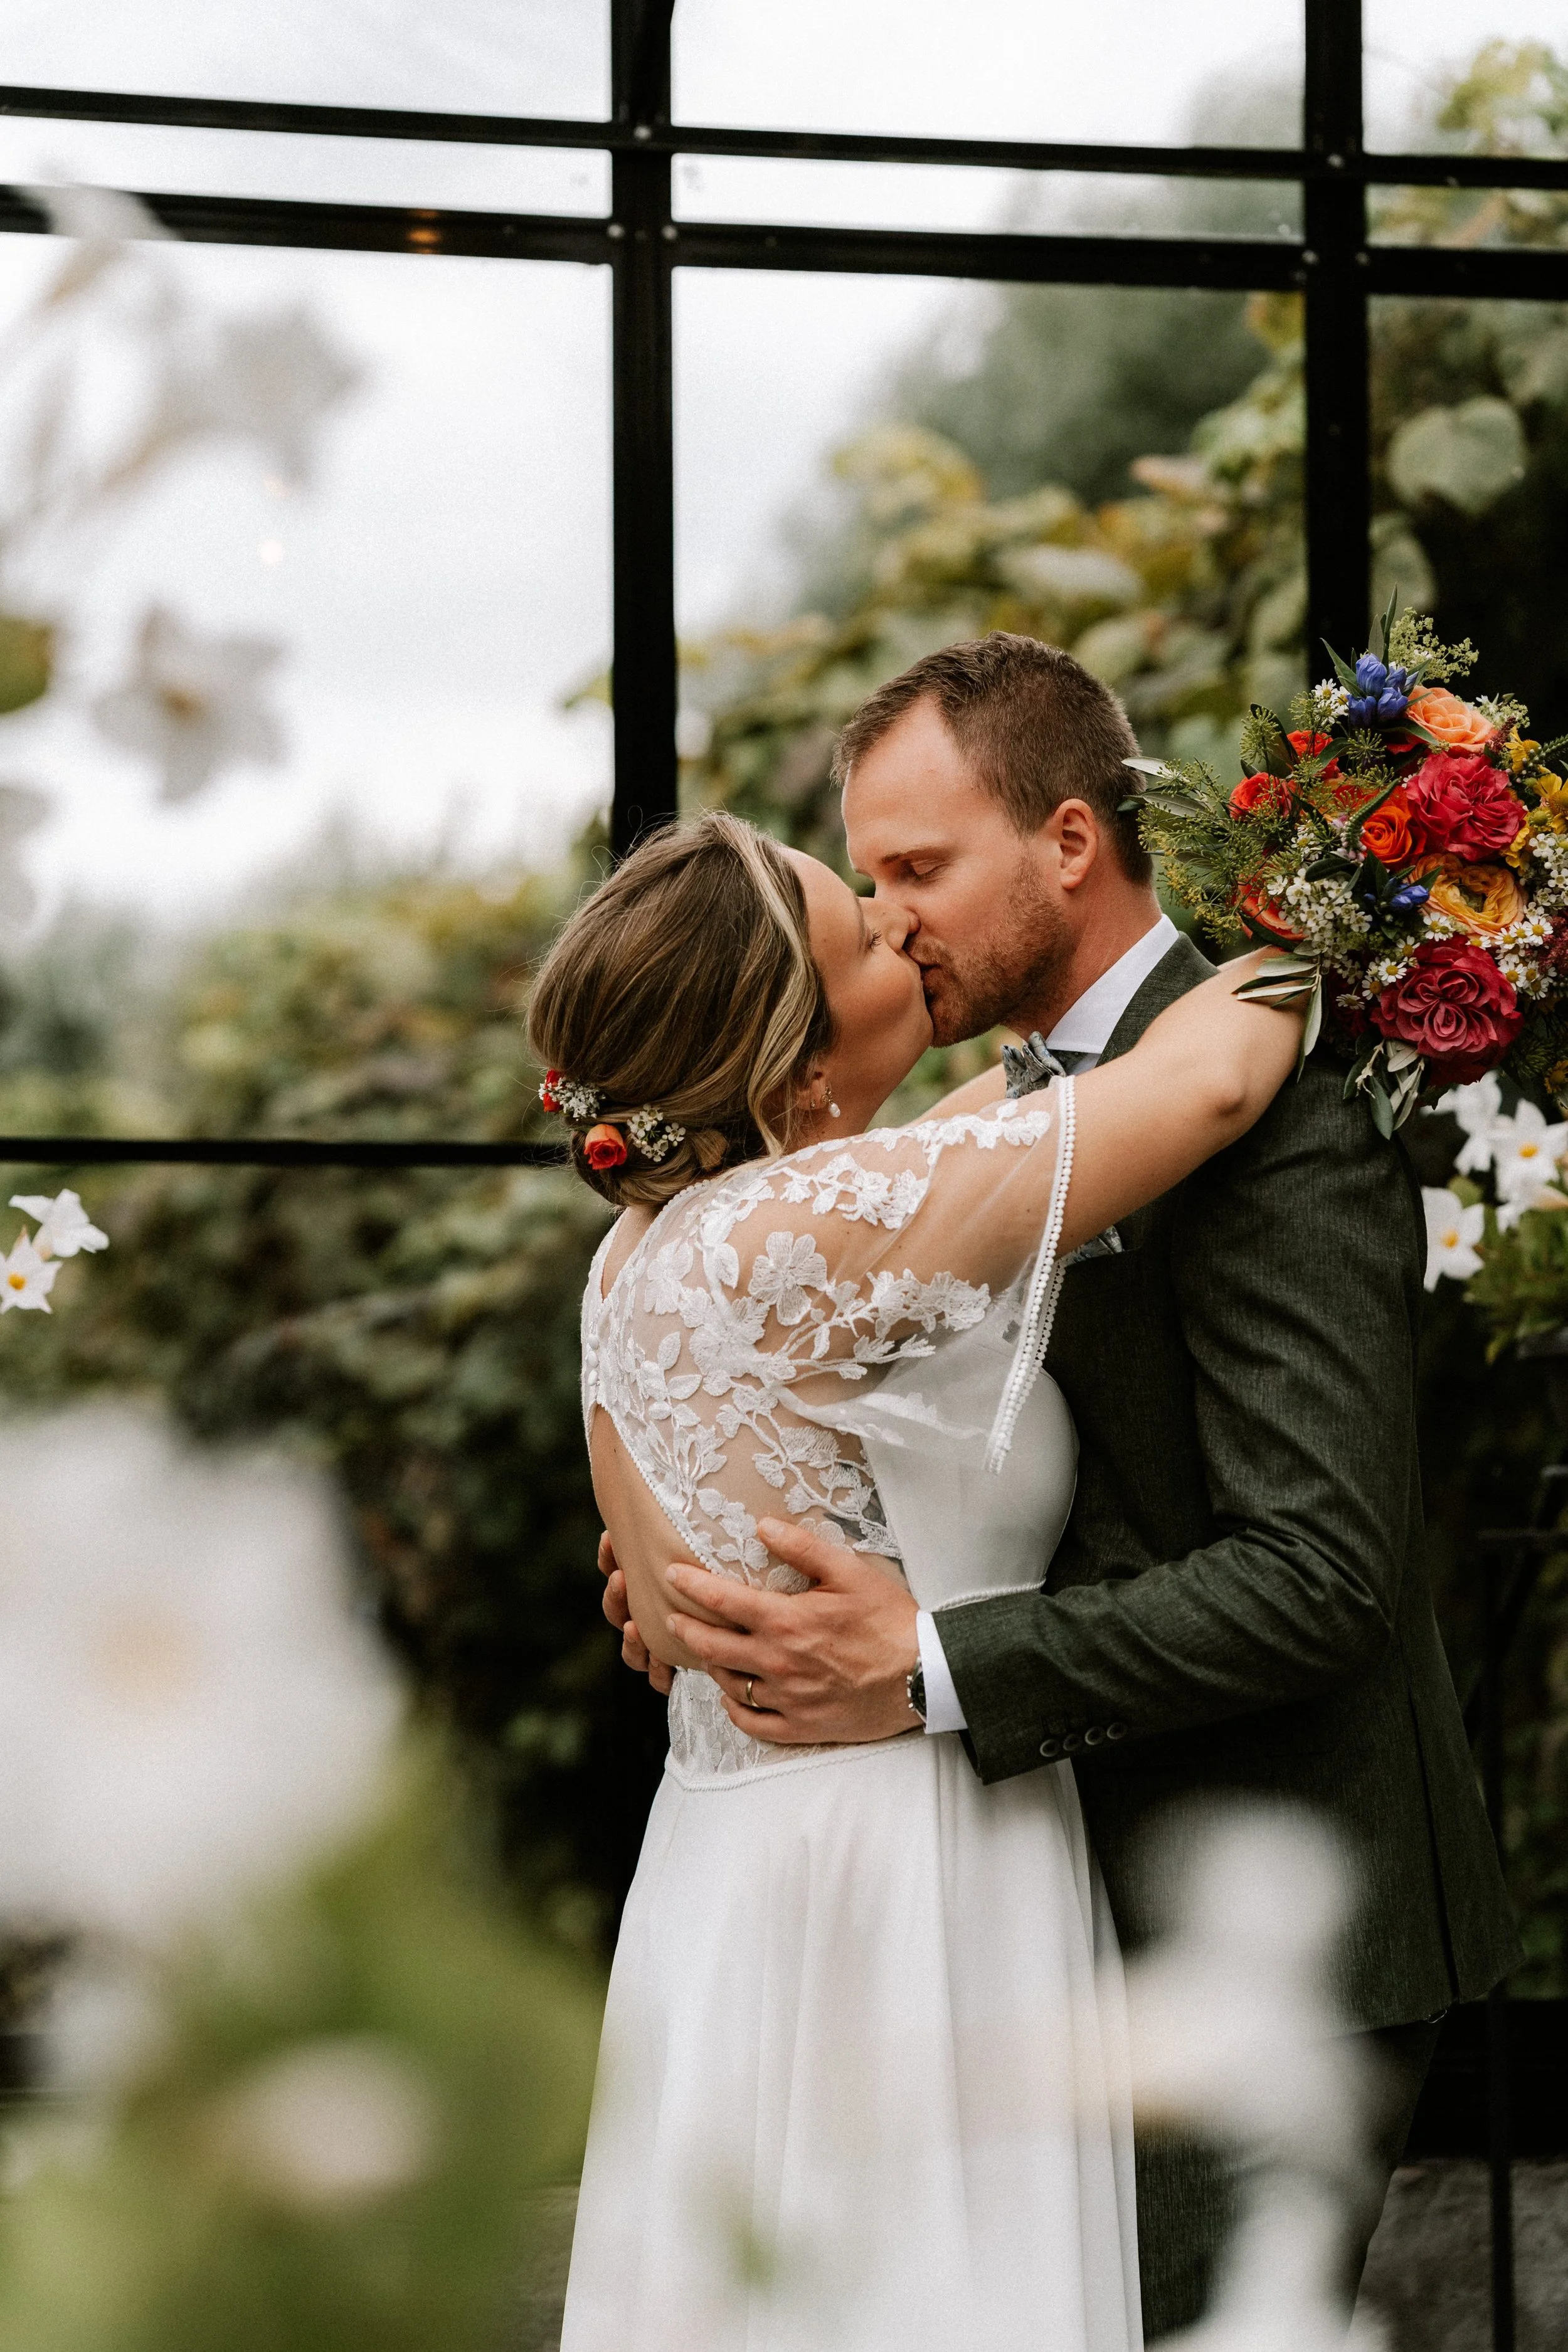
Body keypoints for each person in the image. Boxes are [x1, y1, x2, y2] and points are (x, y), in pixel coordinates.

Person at [601, 635, 1520, 2337]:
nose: (888, 921)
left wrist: (930, 1663)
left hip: (1260, 1900)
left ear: (1070, 847)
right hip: (1016, 1887)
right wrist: (695, 1533)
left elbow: (1321, 1573)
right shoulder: (970, 1127)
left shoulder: (1273, 1113)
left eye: (919, 869)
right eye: (865, 880)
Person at [535, 799, 1306, 2351]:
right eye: (857, 929)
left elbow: (665, 1595)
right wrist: (1360, 926)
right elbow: (1212, 1076)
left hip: (730, 1868)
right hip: (895, 1860)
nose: (898, 926)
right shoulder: (797, 1235)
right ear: (793, 1068)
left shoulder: (643, 1250)